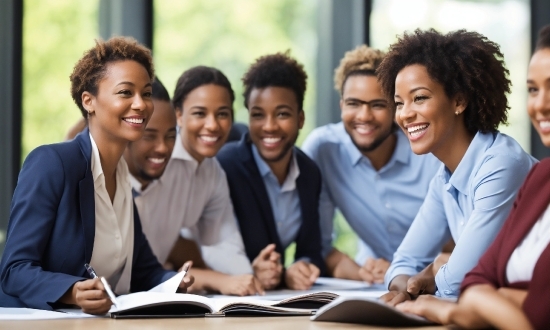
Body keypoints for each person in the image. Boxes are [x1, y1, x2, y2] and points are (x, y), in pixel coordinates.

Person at [0, 37, 193, 314]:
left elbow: (144, 271)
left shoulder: (123, 176)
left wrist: (174, 282)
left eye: (146, 93)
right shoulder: (52, 163)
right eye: (126, 92)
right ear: (89, 101)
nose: (141, 104)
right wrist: (72, 291)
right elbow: (14, 270)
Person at [394, 24, 550, 330]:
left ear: (458, 101)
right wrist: (407, 288)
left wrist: (441, 275)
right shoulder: (444, 178)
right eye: (399, 103)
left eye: (419, 98)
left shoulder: (504, 163)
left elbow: (463, 283)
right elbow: (406, 263)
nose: (405, 114)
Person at [301, 45, 441, 284]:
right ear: (341, 105)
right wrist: (361, 272)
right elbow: (320, 246)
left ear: (396, 108)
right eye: (353, 103)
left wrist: (404, 272)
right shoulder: (324, 149)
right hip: (377, 283)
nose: (364, 116)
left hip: (436, 279)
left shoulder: (430, 152)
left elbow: (459, 241)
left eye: (378, 105)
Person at [129, 66, 264, 296]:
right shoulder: (155, 162)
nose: (212, 125)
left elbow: (223, 244)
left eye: (222, 114)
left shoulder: (213, 173)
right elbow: (144, 259)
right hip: (132, 289)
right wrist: (217, 279)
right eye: (200, 113)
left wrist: (250, 274)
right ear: (178, 115)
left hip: (155, 287)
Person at [217, 52, 325, 290]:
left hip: (271, 301)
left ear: (300, 119)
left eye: (282, 114)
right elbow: (204, 248)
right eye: (258, 115)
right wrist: (247, 270)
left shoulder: (309, 173)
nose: (269, 126)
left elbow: (311, 251)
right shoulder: (225, 166)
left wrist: (301, 268)